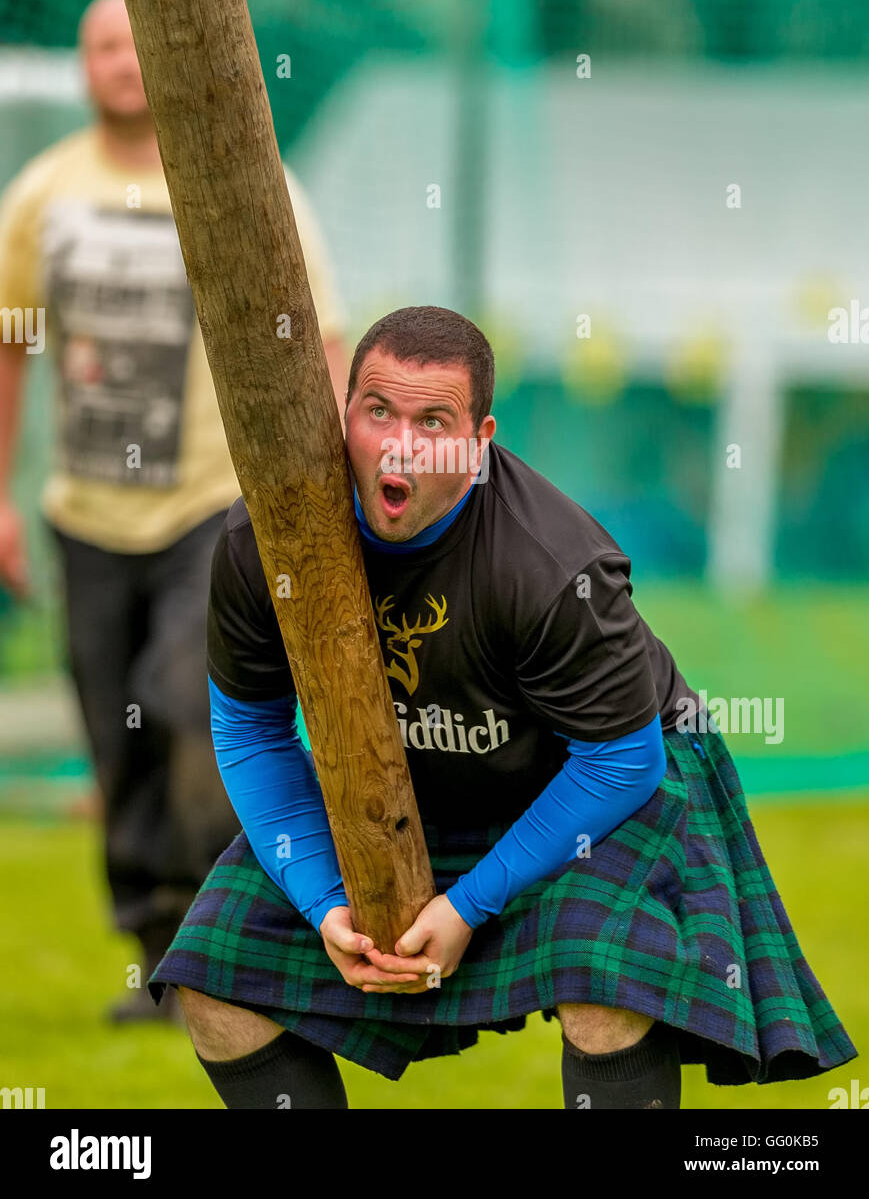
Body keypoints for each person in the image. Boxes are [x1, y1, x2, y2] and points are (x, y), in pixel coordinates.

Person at [149, 305, 856, 1105]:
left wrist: (466, 907)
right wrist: (323, 901)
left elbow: (621, 759)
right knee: (212, 985)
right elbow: (250, 730)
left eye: (433, 421)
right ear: (342, 413)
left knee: (605, 986)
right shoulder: (269, 543)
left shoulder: (547, 564)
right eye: (377, 411)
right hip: (417, 781)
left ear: (479, 442)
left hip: (598, 781)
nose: (400, 443)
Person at [0, 0, 349, 1022]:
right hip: (87, 513)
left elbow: (321, 332)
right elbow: (9, 345)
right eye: (100, 43)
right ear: (84, 64)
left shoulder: (239, 180)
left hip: (212, 503)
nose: (120, 58)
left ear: (161, 51)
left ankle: (227, 929)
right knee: (116, 728)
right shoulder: (43, 196)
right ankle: (160, 951)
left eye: (133, 40)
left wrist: (336, 504)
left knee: (185, 698)